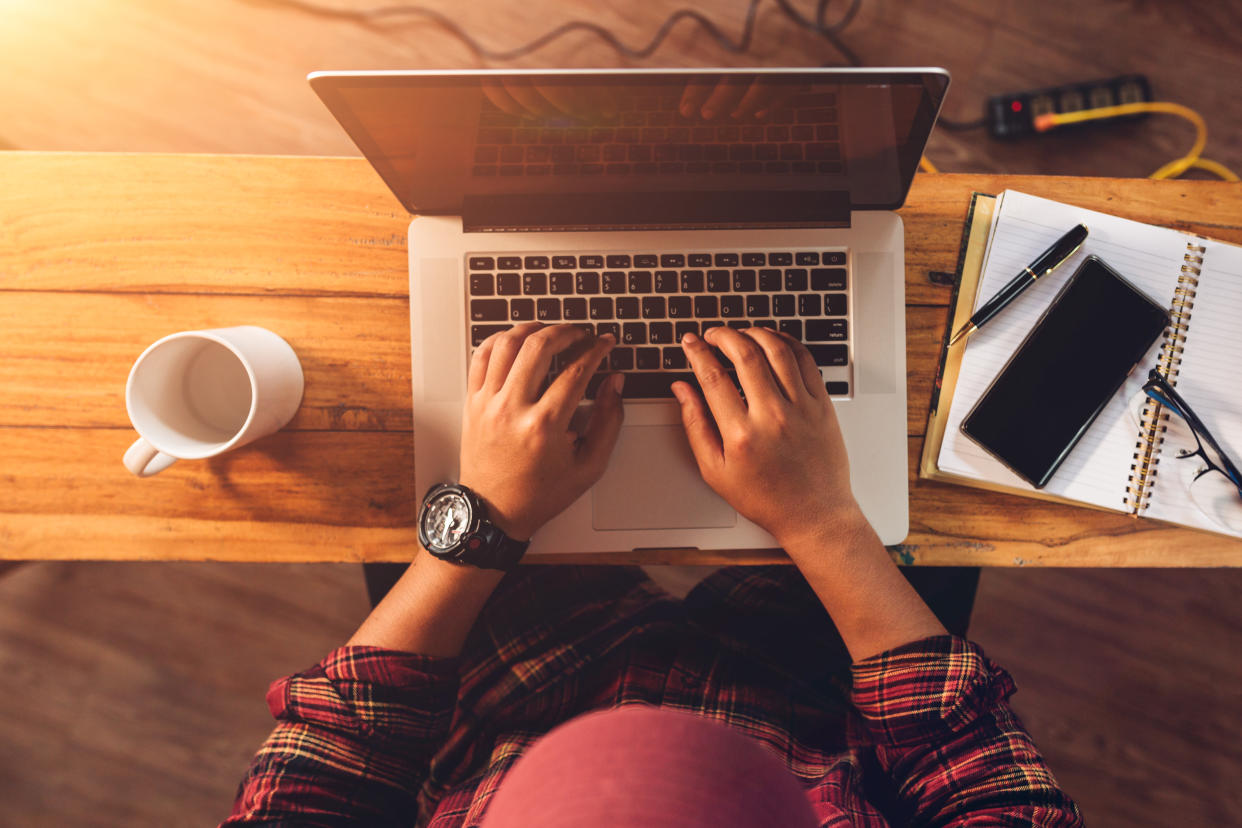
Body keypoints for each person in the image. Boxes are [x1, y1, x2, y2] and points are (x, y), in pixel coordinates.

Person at [222, 324, 1083, 826]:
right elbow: (963, 756)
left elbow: (341, 751)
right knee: (937, 405)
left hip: (510, 684)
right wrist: (822, 520)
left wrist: (482, 519)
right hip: (819, 688)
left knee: (399, 427)